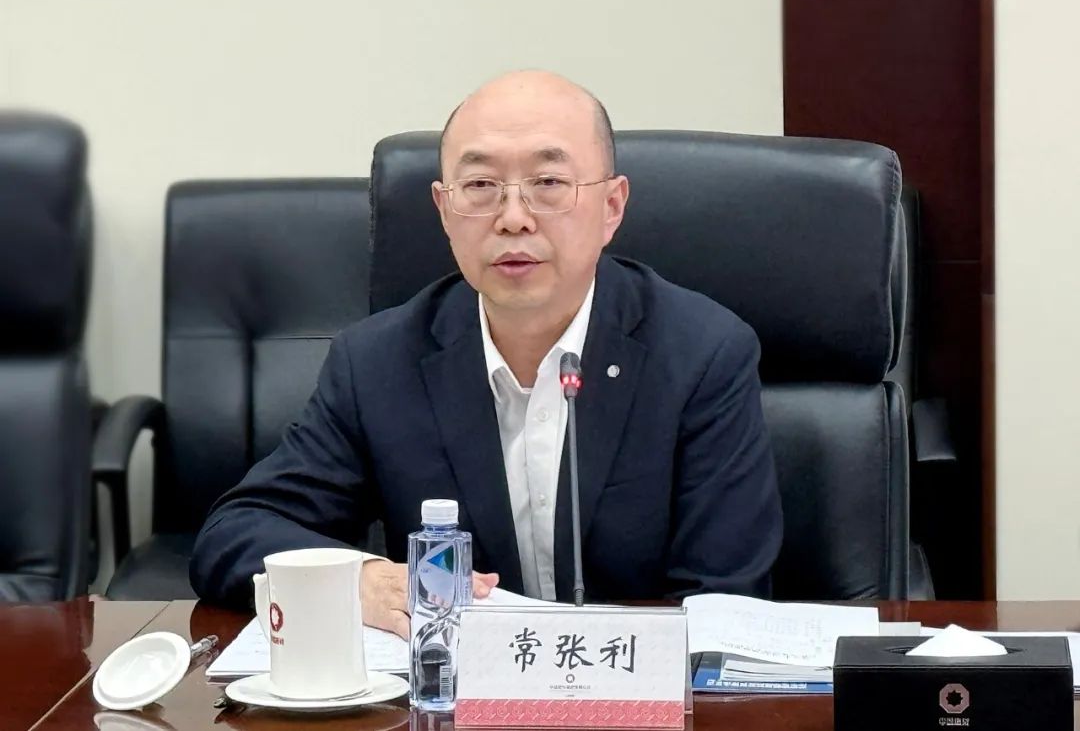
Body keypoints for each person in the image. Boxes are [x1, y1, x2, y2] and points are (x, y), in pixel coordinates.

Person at [190, 70, 783, 639]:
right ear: (444, 210)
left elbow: (725, 598)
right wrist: (358, 580)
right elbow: (234, 533)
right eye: (480, 187)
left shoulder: (702, 353)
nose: (514, 219)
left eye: (548, 183)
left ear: (611, 206)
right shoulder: (377, 363)